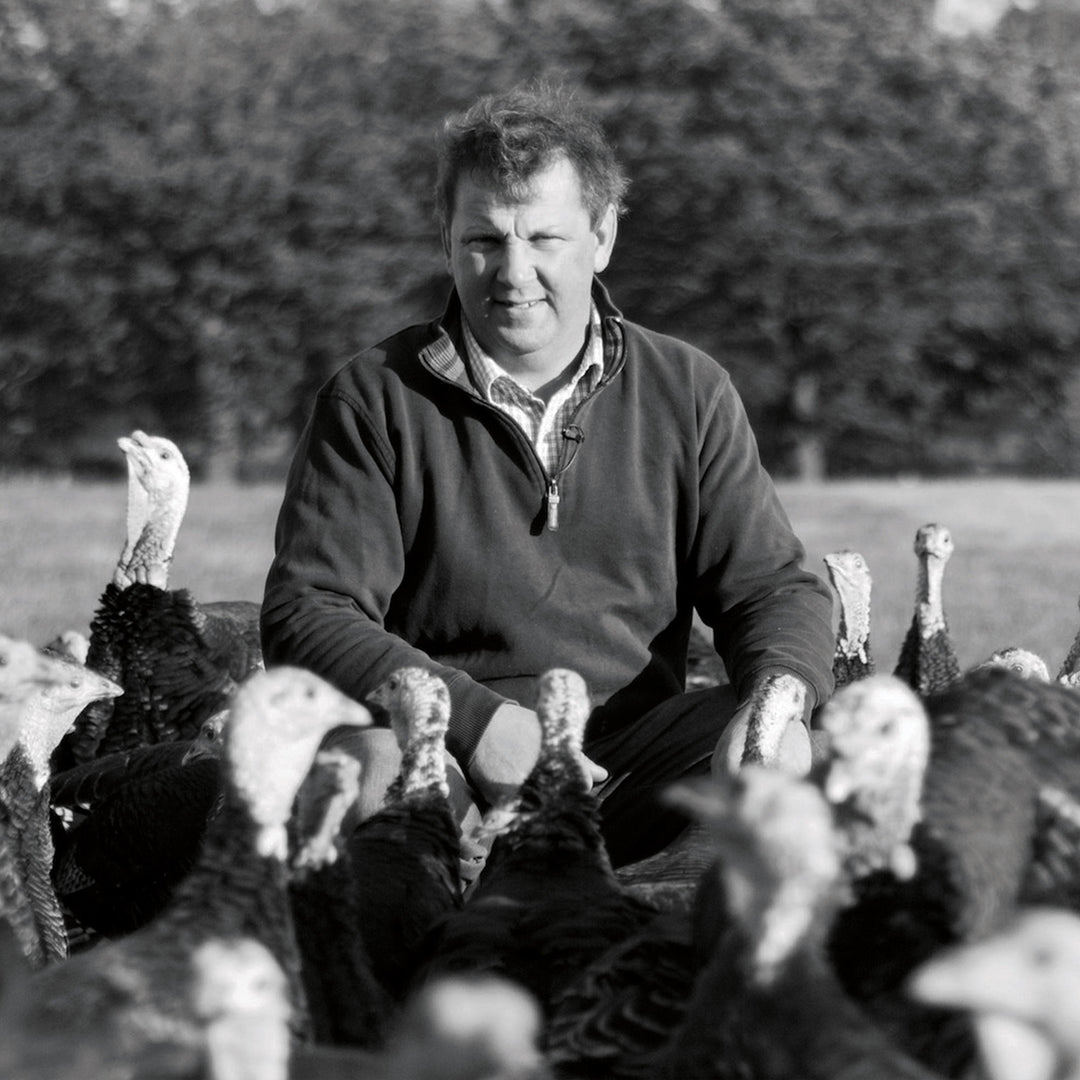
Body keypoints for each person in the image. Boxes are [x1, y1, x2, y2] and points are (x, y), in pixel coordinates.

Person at [260, 83, 834, 869]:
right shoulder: (374, 398)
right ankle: (415, 979)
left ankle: (671, 953)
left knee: (819, 760)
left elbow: (772, 588)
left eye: (544, 238)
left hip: (635, 756)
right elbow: (310, 611)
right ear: (446, 238)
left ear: (602, 237)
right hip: (451, 756)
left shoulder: (688, 389)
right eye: (485, 240)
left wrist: (779, 704)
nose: (513, 271)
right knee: (374, 777)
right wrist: (472, 723)